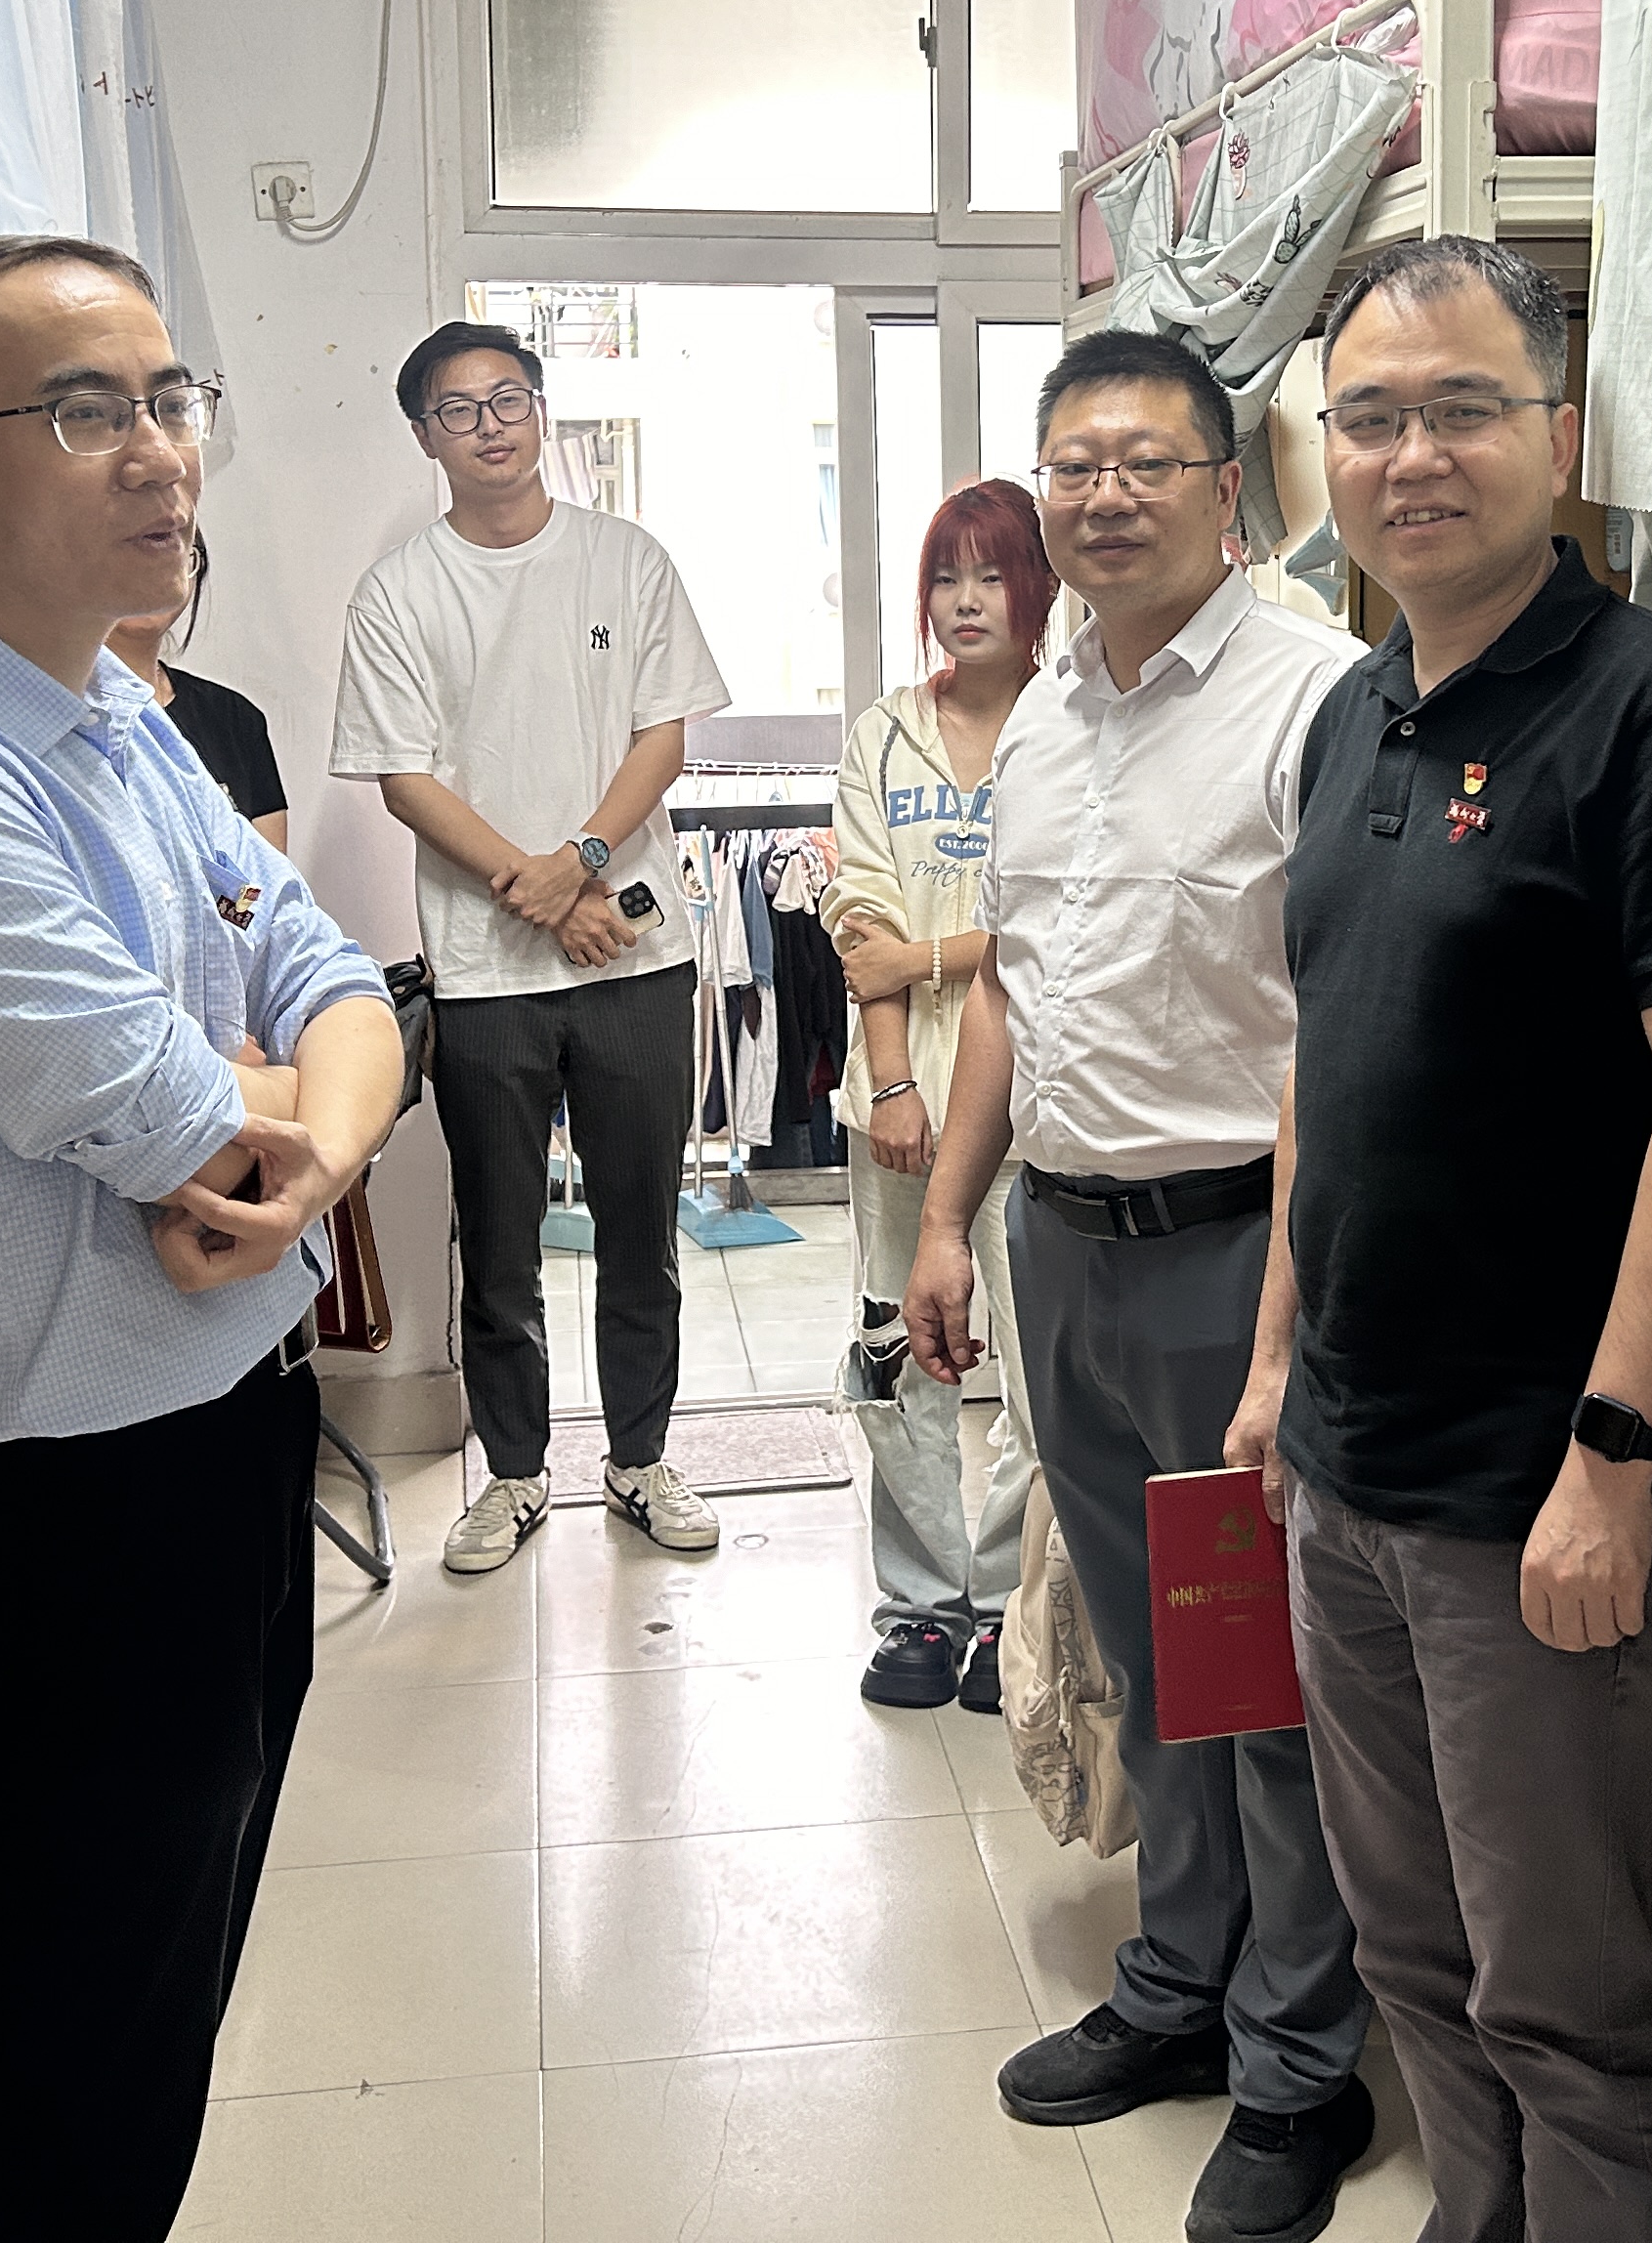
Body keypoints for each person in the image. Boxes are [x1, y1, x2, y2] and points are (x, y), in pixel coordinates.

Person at [0, 235, 405, 2240]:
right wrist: (278, 1114)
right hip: (63, 1508)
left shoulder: (109, 704)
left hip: (224, 1438)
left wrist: (312, 1151)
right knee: (58, 2064)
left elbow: (339, 982)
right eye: (85, 410)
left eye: (169, 400)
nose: (160, 453)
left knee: (150, 2017)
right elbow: (188, 1119)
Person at [1229, 239, 1652, 2243]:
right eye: (1369, 418)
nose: (1413, 456)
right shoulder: (1347, 713)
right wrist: (1277, 1368)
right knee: (1412, 1958)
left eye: (1462, 408)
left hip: (1534, 1491)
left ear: (1559, 433)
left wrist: (1612, 1458)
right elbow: (1324, 1057)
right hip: (1345, 1473)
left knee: (1570, 2005)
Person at [909, 329, 1379, 2243]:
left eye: (1144, 460)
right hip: (1065, 1247)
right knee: (1156, 1658)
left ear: (1226, 489)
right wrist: (949, 1218)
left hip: (1233, 1256)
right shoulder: (1044, 707)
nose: (1103, 495)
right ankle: (1179, 1985)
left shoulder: (1315, 696)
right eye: (1072, 464)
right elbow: (1007, 983)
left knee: (1265, 1677)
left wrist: (1279, 1330)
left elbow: (1338, 1031)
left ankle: (1301, 2065)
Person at [336, 317, 732, 1574]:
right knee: (500, 1243)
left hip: (636, 960)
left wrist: (587, 862)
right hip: (486, 974)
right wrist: (548, 892)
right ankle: (512, 1475)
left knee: (639, 1232)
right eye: (459, 410)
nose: (490, 425)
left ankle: (640, 1459)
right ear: (425, 438)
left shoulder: (626, 559)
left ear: (541, 411)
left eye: (509, 399)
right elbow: (405, 779)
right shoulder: (401, 591)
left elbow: (663, 737)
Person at [826, 475, 1053, 1714]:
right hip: (900, 1107)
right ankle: (920, 1603)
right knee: (898, 1351)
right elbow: (860, 921)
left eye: (993, 575)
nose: (967, 601)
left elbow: (1059, 916)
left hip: (1035, 1103)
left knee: (1037, 1367)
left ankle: (1014, 1600)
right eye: (946, 578)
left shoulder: (1072, 724)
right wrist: (896, 1080)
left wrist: (925, 958)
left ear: (1039, 588)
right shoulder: (883, 733)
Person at [109, 532, 287, 848]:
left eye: (165, 545)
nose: (147, 569)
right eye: (129, 546)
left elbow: (267, 871)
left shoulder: (234, 718)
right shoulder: (60, 719)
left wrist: (220, 890)